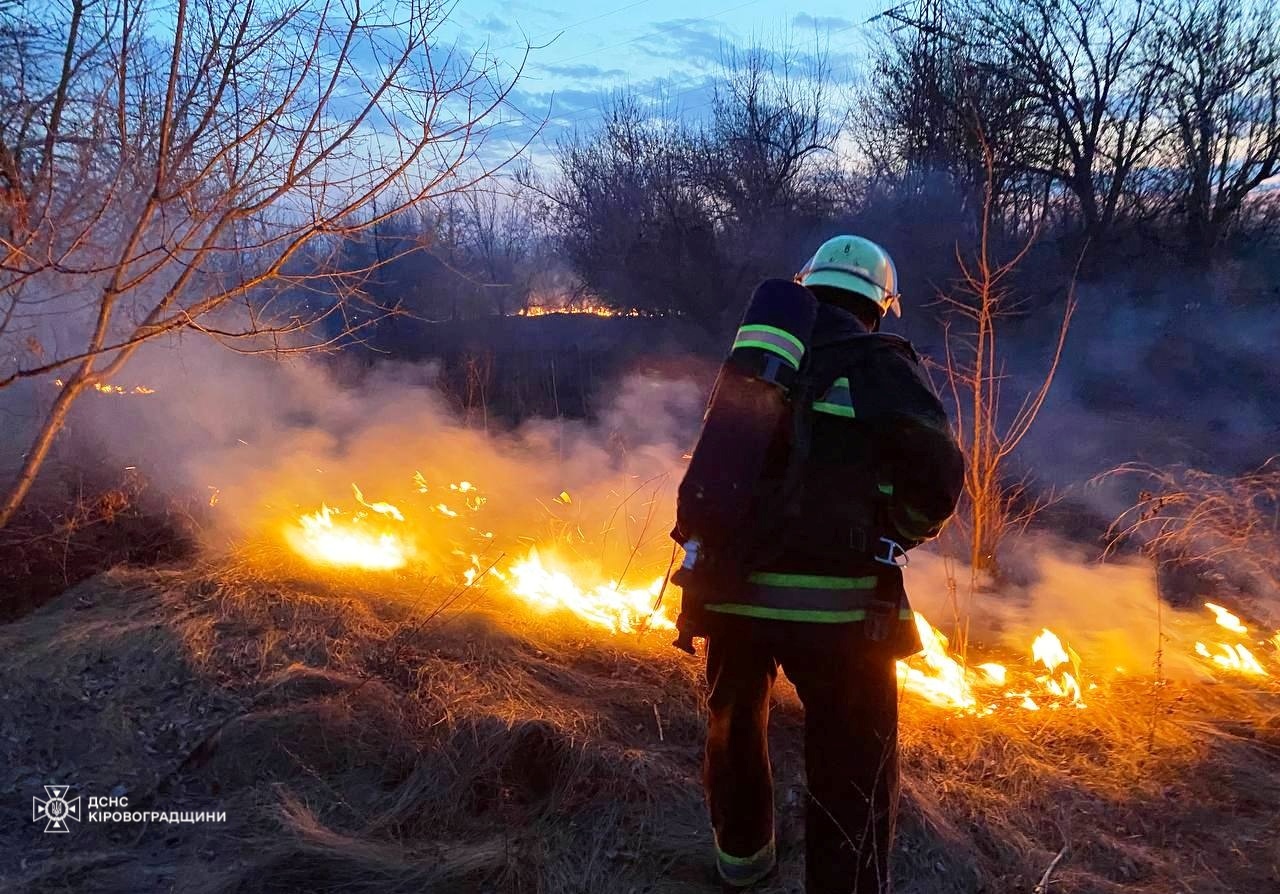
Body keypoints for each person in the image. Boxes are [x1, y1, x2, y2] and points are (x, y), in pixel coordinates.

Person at [682, 235, 964, 893]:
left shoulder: (761, 359)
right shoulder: (884, 365)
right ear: (879, 303)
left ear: (807, 286)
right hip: (839, 612)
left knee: (734, 732)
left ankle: (743, 868)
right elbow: (937, 482)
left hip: (730, 596)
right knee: (852, 765)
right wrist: (890, 530)